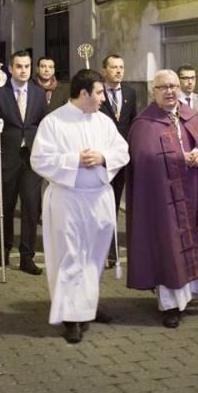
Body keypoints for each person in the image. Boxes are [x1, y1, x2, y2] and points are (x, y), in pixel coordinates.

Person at [30, 69, 130, 344]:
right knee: (71, 255)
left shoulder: (104, 121)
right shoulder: (54, 122)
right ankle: (72, 317)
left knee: (94, 256)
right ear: (84, 93)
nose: (103, 98)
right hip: (69, 199)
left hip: (98, 198)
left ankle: (88, 305)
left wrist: (103, 156)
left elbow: (123, 151)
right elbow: (38, 160)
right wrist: (74, 160)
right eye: (99, 92)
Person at [126, 69, 198, 328]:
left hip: (192, 194)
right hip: (163, 201)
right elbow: (144, 159)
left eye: (173, 86)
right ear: (154, 91)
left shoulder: (189, 115)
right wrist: (178, 158)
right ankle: (170, 305)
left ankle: (188, 295)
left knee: (191, 240)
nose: (170, 91)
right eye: (164, 87)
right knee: (169, 246)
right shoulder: (144, 124)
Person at [0, 50, 48, 275]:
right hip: (7, 155)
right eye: (19, 66)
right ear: (10, 69)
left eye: (27, 66)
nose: (23, 70)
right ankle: (4, 249)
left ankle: (27, 256)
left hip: (31, 157)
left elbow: (43, 123)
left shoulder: (38, 93)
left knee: (31, 207)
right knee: (7, 206)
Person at [99, 54, 137, 268]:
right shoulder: (98, 92)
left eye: (121, 67)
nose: (118, 71)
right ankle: (103, 249)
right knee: (102, 206)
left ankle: (111, 252)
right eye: (114, 67)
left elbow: (134, 123)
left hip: (121, 160)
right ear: (105, 70)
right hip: (102, 159)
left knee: (113, 205)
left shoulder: (130, 92)